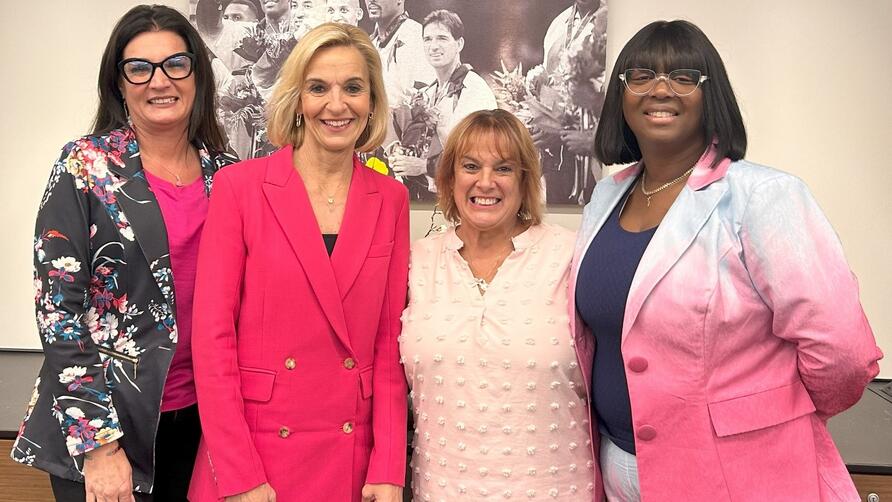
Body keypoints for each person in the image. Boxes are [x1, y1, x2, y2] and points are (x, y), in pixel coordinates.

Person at [572, 20, 883, 501]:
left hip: (738, 473)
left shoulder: (763, 196)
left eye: (682, 77)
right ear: (621, 95)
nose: (660, 89)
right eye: (641, 76)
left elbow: (842, 352)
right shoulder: (607, 197)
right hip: (617, 467)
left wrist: (770, 415)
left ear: (709, 93)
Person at [9, 5, 238, 501]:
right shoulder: (84, 166)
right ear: (119, 82)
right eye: (140, 67)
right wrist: (99, 446)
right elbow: (58, 311)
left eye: (176, 64)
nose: (160, 81)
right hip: (106, 421)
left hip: (201, 420)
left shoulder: (227, 173)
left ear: (197, 73)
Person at [188, 23, 408, 502]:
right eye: (318, 88)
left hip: (350, 459)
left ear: (371, 101)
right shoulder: (239, 188)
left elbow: (388, 345)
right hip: (255, 456)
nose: (337, 104)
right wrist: (240, 474)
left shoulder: (390, 199)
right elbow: (212, 339)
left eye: (353, 88)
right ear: (297, 99)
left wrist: (389, 464)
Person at [400, 109, 596, 500]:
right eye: (470, 166)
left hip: (555, 489)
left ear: (525, 181)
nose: (485, 182)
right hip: (441, 489)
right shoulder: (417, 261)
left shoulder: (572, 255)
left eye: (503, 168)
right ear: (449, 177)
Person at [390, 9, 497, 201]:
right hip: (431, 195)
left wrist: (423, 166)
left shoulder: (473, 89)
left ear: (459, 44)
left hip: (466, 197)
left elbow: (478, 155)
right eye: (427, 39)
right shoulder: (427, 93)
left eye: (442, 38)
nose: (433, 46)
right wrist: (402, 154)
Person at [532, 0, 607, 205]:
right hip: (556, 150)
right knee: (560, 221)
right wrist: (544, 125)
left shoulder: (613, 20)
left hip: (594, 150)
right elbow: (547, 79)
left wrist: (595, 138)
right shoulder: (559, 22)